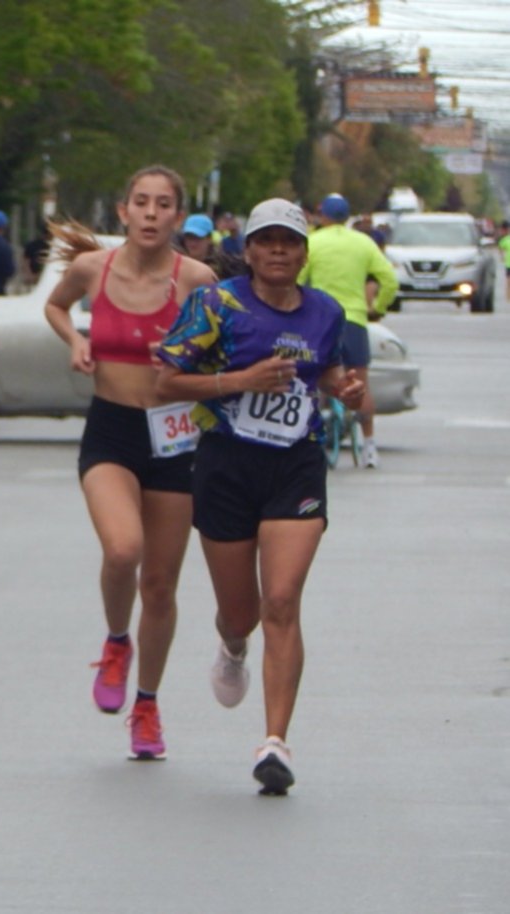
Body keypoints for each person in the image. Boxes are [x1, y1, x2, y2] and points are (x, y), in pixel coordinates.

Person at [154, 198, 365, 796]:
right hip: (226, 463)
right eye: (267, 241)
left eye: (290, 242)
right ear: (247, 251)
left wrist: (342, 387)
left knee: (282, 601)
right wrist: (239, 382)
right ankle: (231, 642)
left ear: (304, 253)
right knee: (243, 612)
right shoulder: (217, 303)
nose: (278, 251)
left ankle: (275, 742)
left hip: (295, 466)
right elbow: (166, 379)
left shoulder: (326, 312)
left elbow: (323, 371)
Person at [43, 165, 216, 761]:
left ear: (178, 217)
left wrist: (189, 364)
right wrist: (77, 341)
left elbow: (222, 351)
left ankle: (147, 705)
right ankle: (117, 641)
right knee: (123, 549)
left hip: (175, 438)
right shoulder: (95, 268)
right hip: (112, 431)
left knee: (161, 585)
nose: (149, 213)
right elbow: (56, 307)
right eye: (140, 202)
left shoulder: (197, 280)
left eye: (162, 204)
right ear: (123, 211)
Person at [297, 193, 398, 469]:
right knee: (359, 385)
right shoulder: (364, 243)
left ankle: (310, 440)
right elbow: (389, 279)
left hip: (318, 322)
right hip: (353, 320)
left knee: (314, 383)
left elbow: (298, 280)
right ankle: (369, 446)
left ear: (323, 215)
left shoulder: (313, 242)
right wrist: (378, 306)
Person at [22, 223, 52, 287]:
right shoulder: (53, 248)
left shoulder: (32, 245)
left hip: (34, 278)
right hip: (36, 279)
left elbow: (26, 260)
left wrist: (29, 275)